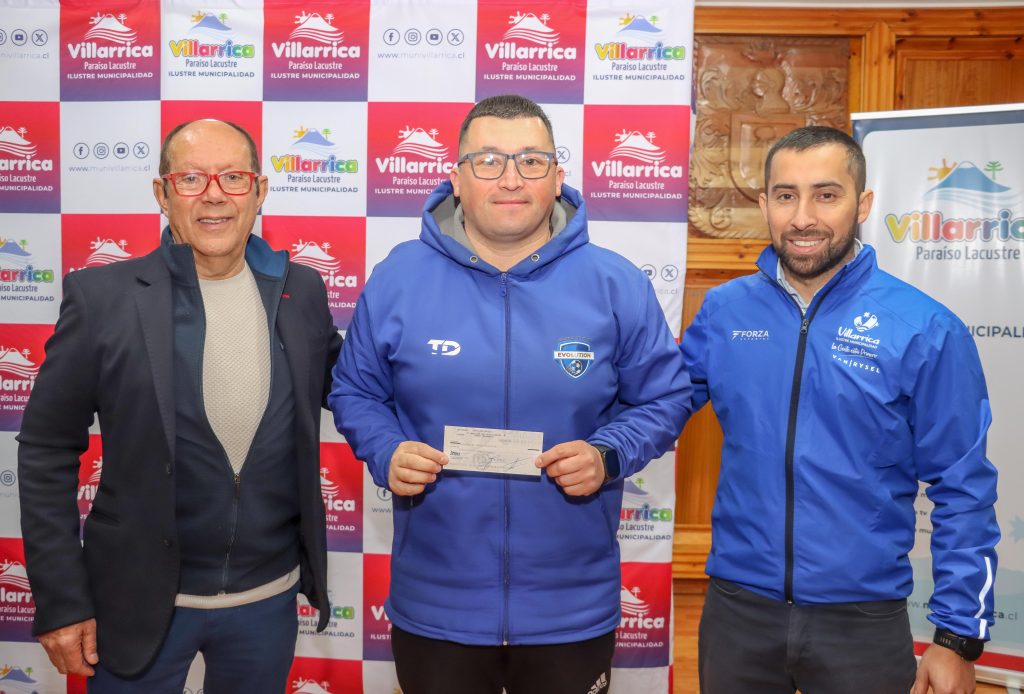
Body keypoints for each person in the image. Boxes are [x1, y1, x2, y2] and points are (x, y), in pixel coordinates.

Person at [329, 94, 692, 694]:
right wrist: (386, 449)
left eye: (530, 160)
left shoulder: (616, 283)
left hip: (570, 607)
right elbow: (355, 390)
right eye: (489, 160)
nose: (510, 179)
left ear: (557, 176)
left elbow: (665, 398)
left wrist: (608, 454)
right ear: (457, 178)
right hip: (437, 604)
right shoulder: (398, 278)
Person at [17, 119, 343, 692]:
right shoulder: (102, 299)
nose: (214, 194)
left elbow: (354, 387)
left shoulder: (303, 291)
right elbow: (45, 449)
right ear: (162, 194)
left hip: (267, 602)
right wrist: (62, 600)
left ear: (260, 191)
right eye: (191, 178)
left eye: (233, 177)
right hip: (136, 601)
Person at [682, 125, 999, 694]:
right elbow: (657, 404)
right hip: (737, 611)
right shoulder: (724, 311)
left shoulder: (925, 328)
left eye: (826, 195)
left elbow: (964, 487)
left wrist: (956, 638)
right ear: (765, 205)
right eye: (786, 195)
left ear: (863, 204)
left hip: (862, 620)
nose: (803, 217)